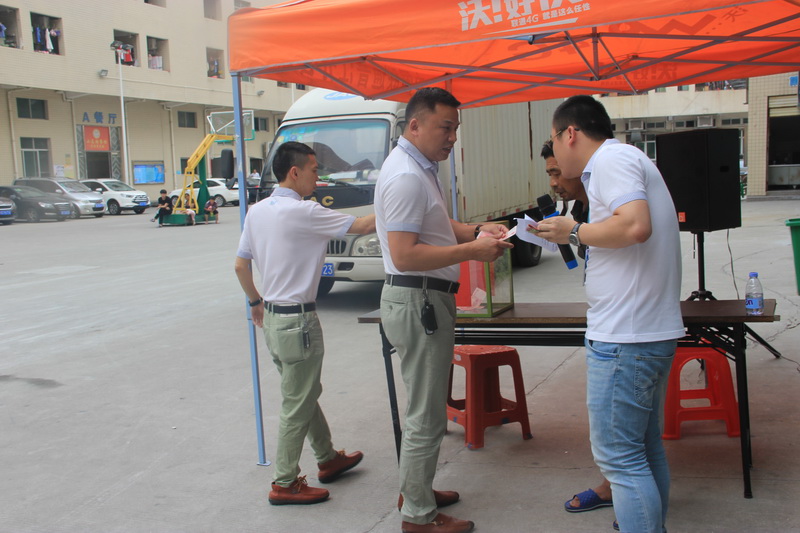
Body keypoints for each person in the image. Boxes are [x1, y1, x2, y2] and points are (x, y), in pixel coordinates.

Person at [537, 95, 683, 533]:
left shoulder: (610, 160)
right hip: (643, 333)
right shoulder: (624, 160)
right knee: (643, 451)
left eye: (553, 141)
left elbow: (635, 226)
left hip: (626, 338)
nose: (555, 155)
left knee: (620, 458)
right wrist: (576, 233)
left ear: (570, 134)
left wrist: (574, 230)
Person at [374, 87, 513, 533]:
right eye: (445, 128)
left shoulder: (417, 168)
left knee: (425, 406)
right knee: (427, 413)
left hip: (422, 299)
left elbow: (434, 226)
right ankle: (418, 517)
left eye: (456, 129)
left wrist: (474, 230)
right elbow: (404, 254)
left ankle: (416, 490)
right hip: (419, 299)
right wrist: (473, 250)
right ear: (414, 125)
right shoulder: (406, 176)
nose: (452, 137)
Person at [234, 141, 375, 506]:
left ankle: (327, 457)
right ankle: (284, 482)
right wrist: (397, 203)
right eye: (314, 171)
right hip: (299, 321)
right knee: (297, 402)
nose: (318, 178)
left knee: (302, 391)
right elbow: (362, 225)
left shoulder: (256, 212)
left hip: (274, 320)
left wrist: (255, 302)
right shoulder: (304, 211)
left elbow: (240, 265)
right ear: (294, 172)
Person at [541, 140, 613, 512]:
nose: (554, 182)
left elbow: (632, 235)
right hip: (605, 322)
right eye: (549, 174)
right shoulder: (582, 207)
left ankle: (627, 501)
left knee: (619, 439)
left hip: (623, 331)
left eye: (557, 172)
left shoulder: (609, 198)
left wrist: (574, 232)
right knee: (619, 435)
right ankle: (616, 488)